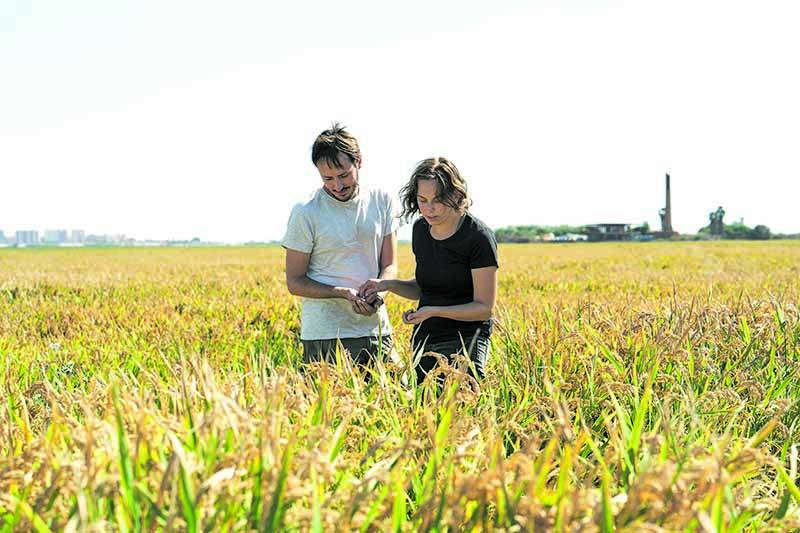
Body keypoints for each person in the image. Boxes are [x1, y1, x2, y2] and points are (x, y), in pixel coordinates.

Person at [360, 157, 498, 384]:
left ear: (455, 195)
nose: (429, 209)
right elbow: (424, 287)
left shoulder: (478, 237)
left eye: (438, 200)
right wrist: (387, 285)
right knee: (426, 413)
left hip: (466, 340)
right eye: (422, 200)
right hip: (426, 338)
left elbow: (483, 308)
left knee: (463, 410)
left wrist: (433, 310)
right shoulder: (421, 230)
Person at [282, 123, 401, 366]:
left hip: (376, 330)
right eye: (328, 178)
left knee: (401, 396)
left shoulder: (382, 200)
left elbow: (389, 264)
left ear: (359, 161)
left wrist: (379, 291)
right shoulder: (306, 212)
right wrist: (341, 293)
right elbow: (295, 282)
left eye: (344, 175)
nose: (337, 186)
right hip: (325, 335)